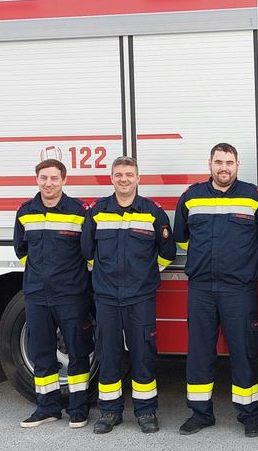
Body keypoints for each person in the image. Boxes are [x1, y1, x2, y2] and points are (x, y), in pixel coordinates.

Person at [173, 143, 258, 437]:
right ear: (210, 164)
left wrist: (242, 265)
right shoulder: (191, 198)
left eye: (229, 162)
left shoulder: (254, 198)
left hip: (238, 288)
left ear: (237, 165)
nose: (224, 167)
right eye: (219, 162)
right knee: (200, 352)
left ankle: (250, 414)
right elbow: (183, 239)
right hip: (202, 287)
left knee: (243, 352)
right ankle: (201, 413)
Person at [81, 156, 176, 434]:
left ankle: (146, 412)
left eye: (129, 174)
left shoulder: (152, 213)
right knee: (108, 353)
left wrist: (147, 275)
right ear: (111, 178)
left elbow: (167, 253)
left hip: (140, 297)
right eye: (118, 174)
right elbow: (87, 252)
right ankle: (110, 412)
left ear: (138, 179)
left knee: (143, 353)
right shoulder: (97, 212)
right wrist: (104, 279)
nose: (124, 179)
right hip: (107, 298)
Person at [12, 159, 93, 429]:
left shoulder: (79, 212)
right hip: (36, 294)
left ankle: (79, 409)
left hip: (70, 294)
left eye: (54, 178)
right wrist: (40, 276)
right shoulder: (25, 212)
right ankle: (47, 408)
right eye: (44, 178)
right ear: (37, 179)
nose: (49, 183)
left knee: (77, 351)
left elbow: (88, 251)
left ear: (64, 181)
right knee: (41, 353)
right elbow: (21, 250)